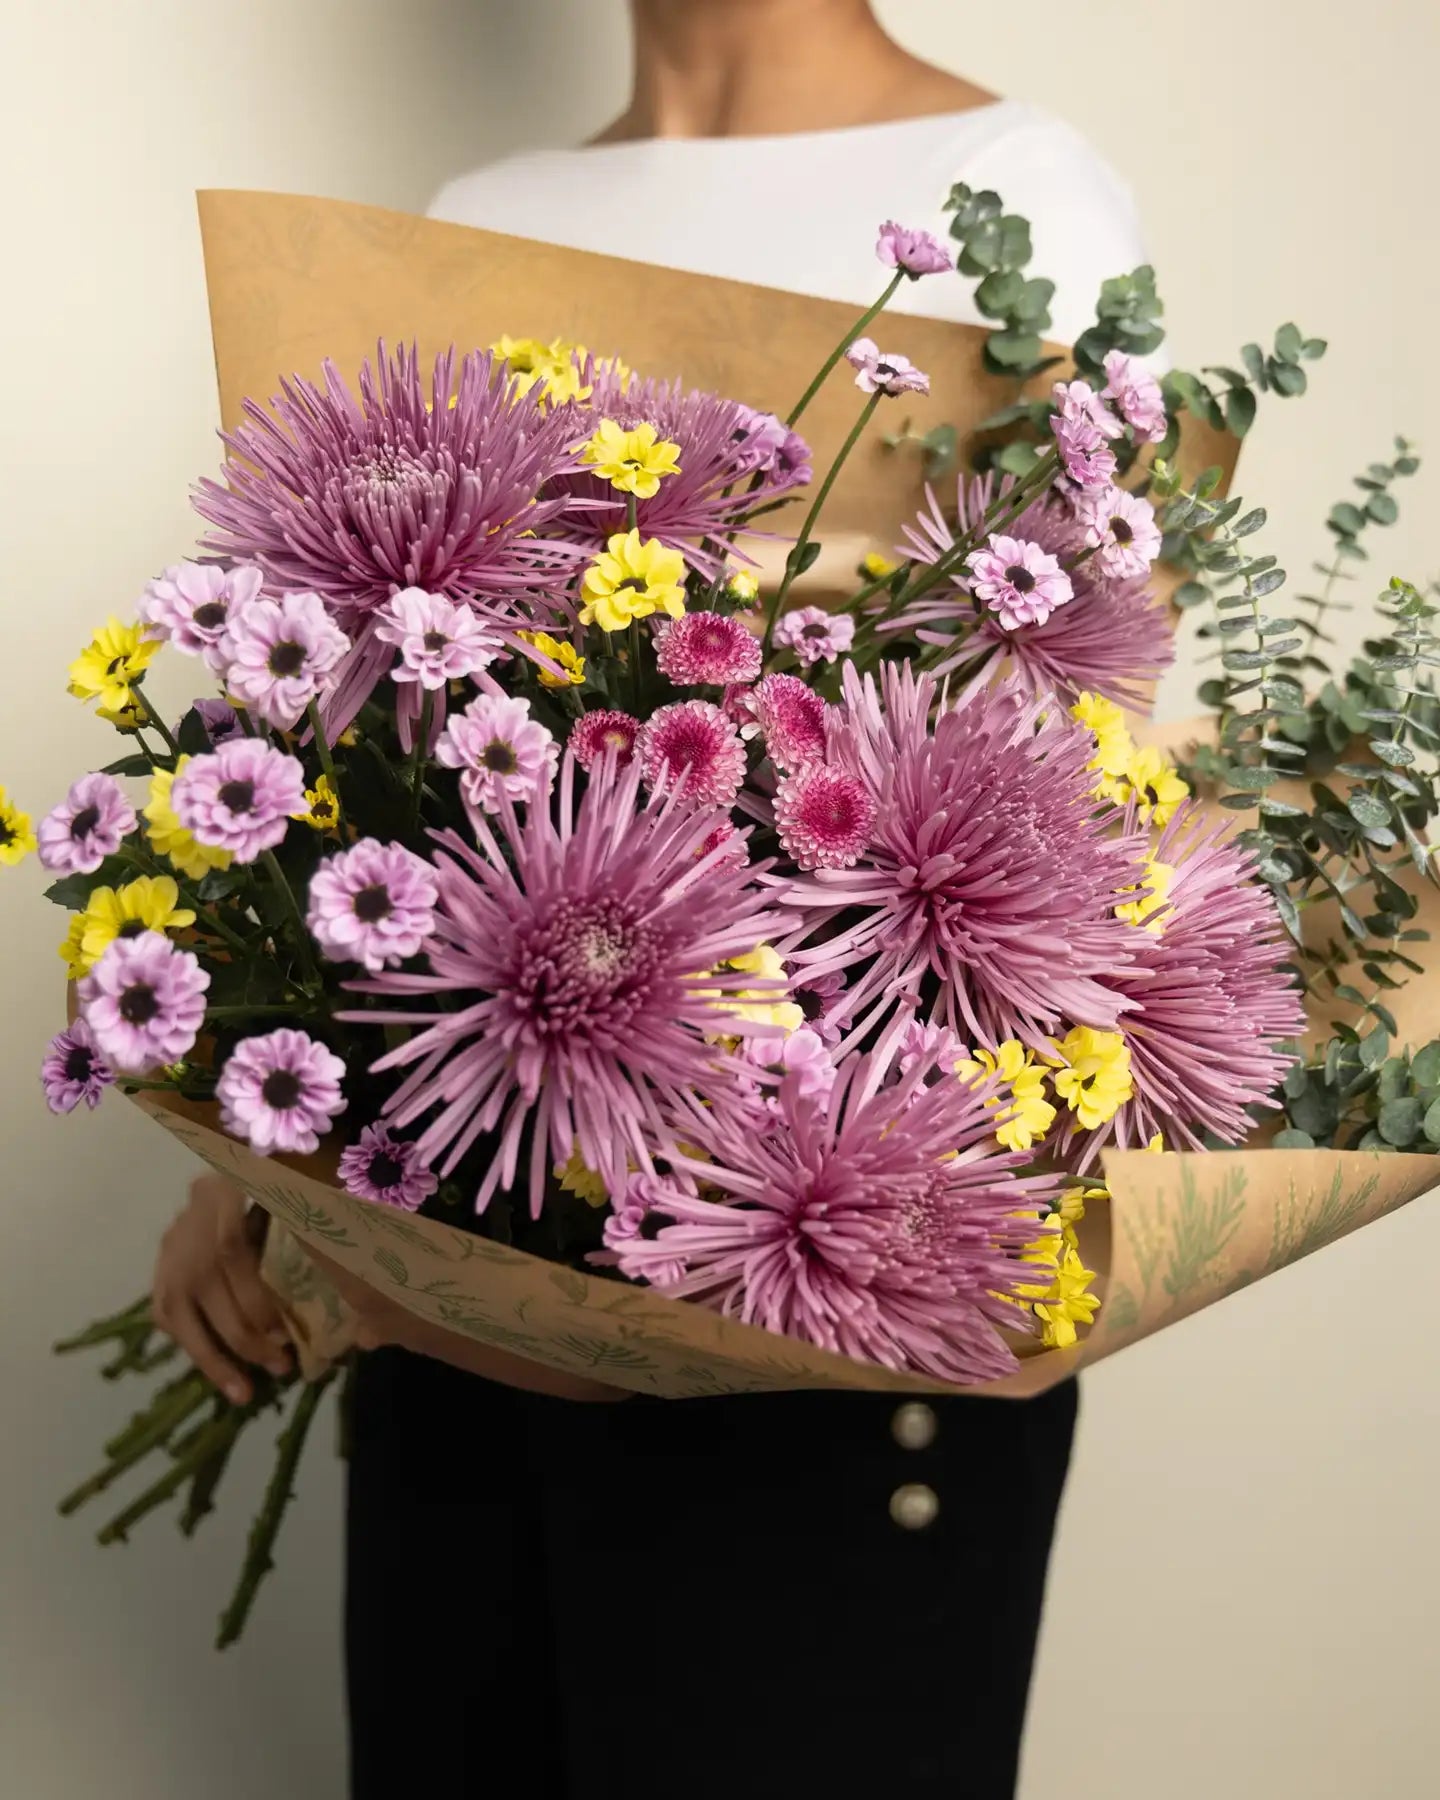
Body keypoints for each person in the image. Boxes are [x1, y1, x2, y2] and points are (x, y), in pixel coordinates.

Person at [152, 3, 1156, 1793]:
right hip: (452, 1296)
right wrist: (271, 1169)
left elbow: (1057, 838)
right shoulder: (483, 203)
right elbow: (381, 739)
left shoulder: (1016, 196)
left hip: (827, 1325)